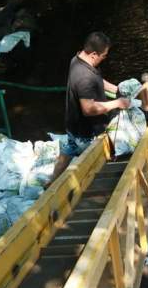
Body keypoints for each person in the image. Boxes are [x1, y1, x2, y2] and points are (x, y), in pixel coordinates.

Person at [48, 32, 131, 185]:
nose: (104, 58)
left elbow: (97, 80)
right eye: (104, 55)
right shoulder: (84, 77)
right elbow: (88, 108)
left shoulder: (78, 59)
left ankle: (51, 181)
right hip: (86, 132)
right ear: (94, 54)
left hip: (73, 125)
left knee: (69, 149)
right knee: (94, 163)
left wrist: (118, 89)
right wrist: (117, 103)